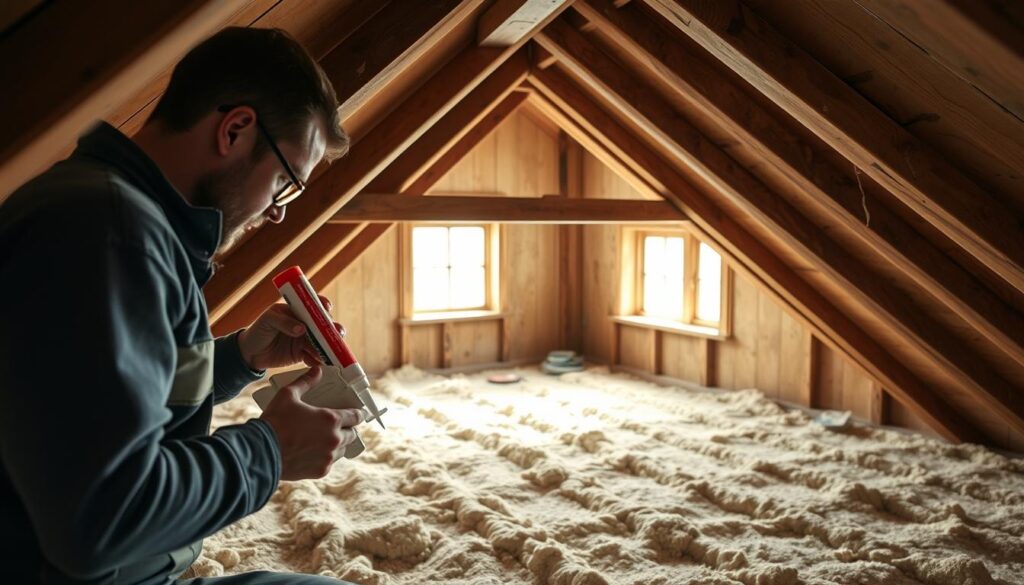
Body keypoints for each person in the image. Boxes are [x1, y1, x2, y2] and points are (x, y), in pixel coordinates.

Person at [0, 27, 366, 585]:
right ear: (236, 130)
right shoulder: (107, 233)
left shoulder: (119, 213)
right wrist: (268, 450)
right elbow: (100, 523)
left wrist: (240, 357)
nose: (277, 212)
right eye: (286, 182)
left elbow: (116, 391)